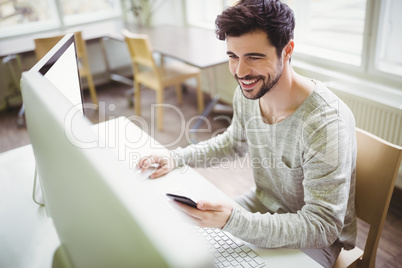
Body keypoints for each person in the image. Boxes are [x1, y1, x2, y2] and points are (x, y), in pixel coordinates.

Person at [138, 0, 357, 267]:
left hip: (315, 238)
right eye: (233, 56)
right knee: (185, 243)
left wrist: (234, 221)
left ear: (287, 50)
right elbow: (233, 144)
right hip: (262, 204)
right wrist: (176, 158)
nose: (240, 72)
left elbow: (322, 225)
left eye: (254, 57)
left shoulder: (324, 123)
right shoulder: (250, 92)